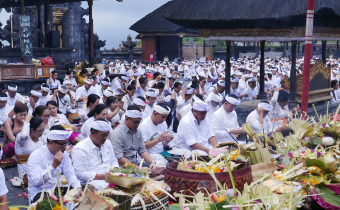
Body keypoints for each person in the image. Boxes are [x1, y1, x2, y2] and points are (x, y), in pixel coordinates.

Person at [27, 125, 82, 203]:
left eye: (66, 143)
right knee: (49, 203)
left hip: (57, 190)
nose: (65, 147)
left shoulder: (64, 153)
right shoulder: (36, 155)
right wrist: (53, 166)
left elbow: (70, 173)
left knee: (83, 192)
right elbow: (36, 182)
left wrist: (77, 186)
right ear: (51, 142)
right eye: (63, 144)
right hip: (40, 192)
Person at [72, 119, 119, 191]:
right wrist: (104, 176)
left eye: (107, 135)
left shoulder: (107, 143)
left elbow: (113, 160)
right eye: (103, 135)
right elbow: (80, 174)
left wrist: (115, 171)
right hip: (92, 183)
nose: (106, 138)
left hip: (111, 178)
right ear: (93, 132)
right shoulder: (81, 148)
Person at [110, 105, 156, 170]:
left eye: (139, 122)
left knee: (159, 171)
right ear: (126, 119)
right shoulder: (117, 133)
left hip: (136, 164)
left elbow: (142, 150)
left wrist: (152, 162)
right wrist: (139, 168)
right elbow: (119, 159)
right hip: (123, 168)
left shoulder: (138, 131)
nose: (138, 124)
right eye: (135, 122)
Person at [15, 117, 46, 185]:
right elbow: (24, 135)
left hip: (40, 166)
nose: (42, 133)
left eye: (43, 130)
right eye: (40, 130)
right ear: (32, 130)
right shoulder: (23, 139)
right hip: (26, 168)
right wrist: (26, 121)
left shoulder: (42, 138)